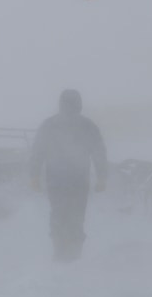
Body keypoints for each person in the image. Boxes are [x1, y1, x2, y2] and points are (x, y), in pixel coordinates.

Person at [29, 89, 108, 261]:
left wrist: (34, 175)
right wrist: (102, 177)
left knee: (58, 215)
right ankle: (73, 254)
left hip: (56, 180)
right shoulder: (87, 126)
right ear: (79, 104)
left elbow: (37, 151)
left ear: (60, 104)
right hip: (79, 181)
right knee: (77, 216)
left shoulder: (50, 124)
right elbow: (99, 153)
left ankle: (60, 253)